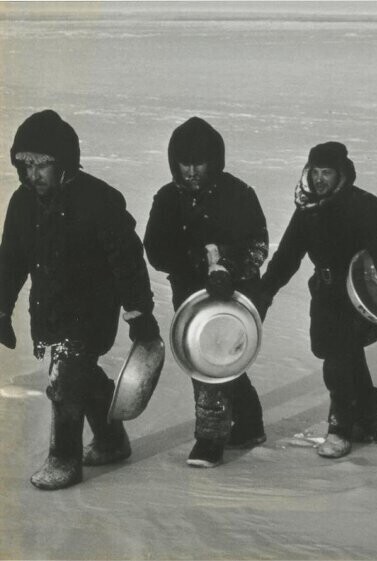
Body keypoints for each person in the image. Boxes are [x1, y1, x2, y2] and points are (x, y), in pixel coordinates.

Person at [0, 110, 160, 490]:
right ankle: (111, 439)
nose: (33, 175)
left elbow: (128, 261)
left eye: (43, 166)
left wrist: (139, 312)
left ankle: (64, 459)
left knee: (66, 380)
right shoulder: (22, 204)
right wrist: (2, 307)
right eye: (26, 166)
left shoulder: (99, 201)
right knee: (82, 377)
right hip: (49, 307)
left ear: (64, 163)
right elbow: (10, 260)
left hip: (91, 309)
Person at [259, 141, 377, 459]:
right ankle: (367, 422)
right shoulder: (307, 209)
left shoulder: (366, 207)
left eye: (326, 172)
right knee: (344, 355)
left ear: (341, 174)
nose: (319, 179)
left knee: (338, 361)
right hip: (327, 293)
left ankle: (340, 428)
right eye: (314, 172)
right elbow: (288, 255)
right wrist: (264, 293)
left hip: (362, 296)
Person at [144, 117, 269, 467]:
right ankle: (249, 423)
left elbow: (258, 243)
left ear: (215, 161)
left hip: (237, 296)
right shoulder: (168, 198)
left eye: (199, 162)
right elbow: (154, 248)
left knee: (214, 360)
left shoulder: (238, 194)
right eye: (185, 162)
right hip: (191, 295)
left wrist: (227, 267)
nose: (192, 171)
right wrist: (198, 261)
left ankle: (210, 439)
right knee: (217, 359)